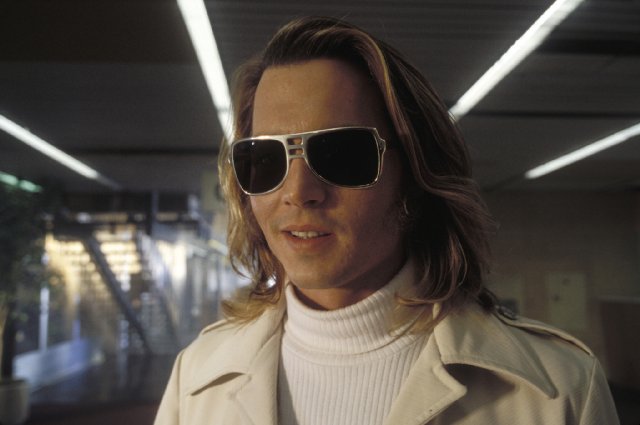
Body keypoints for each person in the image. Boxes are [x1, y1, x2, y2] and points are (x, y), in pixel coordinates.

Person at [155, 16, 619, 425]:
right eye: (265, 159)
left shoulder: (555, 392)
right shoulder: (196, 380)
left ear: (416, 173)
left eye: (339, 154)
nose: (298, 191)